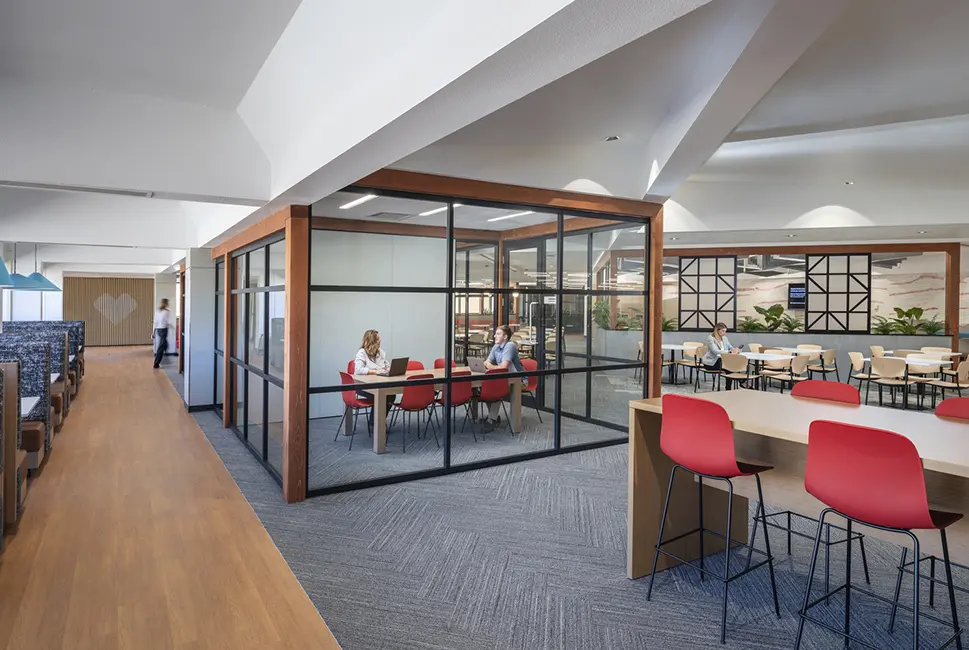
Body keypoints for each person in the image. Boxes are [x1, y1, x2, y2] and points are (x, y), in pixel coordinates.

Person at [481, 325, 524, 431]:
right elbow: (486, 362)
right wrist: (490, 365)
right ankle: (493, 417)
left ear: (505, 337)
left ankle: (492, 420)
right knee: (485, 389)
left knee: (496, 389)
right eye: (495, 333)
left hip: (519, 380)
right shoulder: (496, 346)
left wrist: (490, 366)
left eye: (498, 334)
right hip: (505, 378)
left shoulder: (510, 346)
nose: (494, 336)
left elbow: (504, 367)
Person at [353, 329, 395, 414]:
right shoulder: (362, 353)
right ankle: (374, 423)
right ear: (372, 340)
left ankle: (379, 422)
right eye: (378, 339)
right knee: (381, 396)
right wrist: (376, 372)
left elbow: (386, 365)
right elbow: (358, 370)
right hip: (363, 386)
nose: (380, 340)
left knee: (391, 395)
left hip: (379, 384)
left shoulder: (380, 352)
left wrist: (389, 368)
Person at [152, 298, 173, 369]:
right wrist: (171, 326)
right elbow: (169, 323)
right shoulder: (167, 312)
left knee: (163, 343)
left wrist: (153, 332)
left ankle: (166, 349)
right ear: (166, 304)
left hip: (158, 330)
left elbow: (155, 322)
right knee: (161, 347)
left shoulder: (157, 311)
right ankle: (156, 363)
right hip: (164, 330)